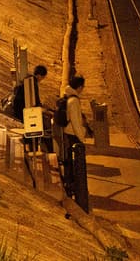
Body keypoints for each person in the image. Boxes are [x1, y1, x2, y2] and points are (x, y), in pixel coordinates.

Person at [60, 74, 94, 203]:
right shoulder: (73, 101)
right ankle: (74, 188)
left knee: (70, 162)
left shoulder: (69, 97)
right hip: (73, 135)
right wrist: (82, 138)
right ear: (79, 87)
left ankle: (72, 186)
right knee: (74, 163)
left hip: (69, 133)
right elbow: (75, 121)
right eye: (83, 87)